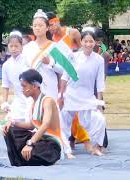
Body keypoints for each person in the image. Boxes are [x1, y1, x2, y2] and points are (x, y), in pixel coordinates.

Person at [2, 69, 69, 166]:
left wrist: (30, 143)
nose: (22, 89)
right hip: (39, 140)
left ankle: (24, 156)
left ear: (34, 86)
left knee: (34, 151)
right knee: (9, 130)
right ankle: (20, 158)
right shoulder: (33, 103)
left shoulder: (47, 101)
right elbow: (31, 125)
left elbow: (45, 125)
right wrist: (12, 122)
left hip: (51, 144)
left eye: (24, 86)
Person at [58, 31, 107, 156]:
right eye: (86, 41)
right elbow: (65, 77)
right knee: (63, 121)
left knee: (99, 120)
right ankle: (66, 149)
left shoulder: (99, 60)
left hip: (88, 97)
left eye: (91, 41)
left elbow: (100, 82)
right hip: (70, 95)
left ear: (95, 43)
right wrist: (61, 95)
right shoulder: (73, 56)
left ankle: (96, 146)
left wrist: (99, 103)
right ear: (81, 42)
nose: (88, 44)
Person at [47, 12, 90, 148]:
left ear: (57, 21)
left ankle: (89, 137)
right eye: (48, 26)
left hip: (78, 76)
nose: (51, 28)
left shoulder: (72, 33)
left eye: (52, 24)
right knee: (65, 108)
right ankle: (70, 138)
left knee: (82, 107)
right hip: (62, 79)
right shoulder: (52, 42)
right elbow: (57, 64)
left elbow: (85, 51)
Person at [22, 9, 64, 100]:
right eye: (35, 25)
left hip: (50, 88)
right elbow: (23, 69)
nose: (37, 28)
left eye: (40, 25)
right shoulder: (27, 48)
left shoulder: (54, 47)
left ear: (47, 27)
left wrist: (50, 63)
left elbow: (63, 70)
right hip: (32, 88)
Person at [1, 31, 30, 122]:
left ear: (21, 46)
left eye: (16, 46)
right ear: (8, 47)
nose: (14, 49)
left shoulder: (28, 60)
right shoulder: (6, 65)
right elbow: (5, 85)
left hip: (31, 99)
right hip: (18, 99)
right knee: (8, 124)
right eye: (11, 46)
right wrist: (5, 102)